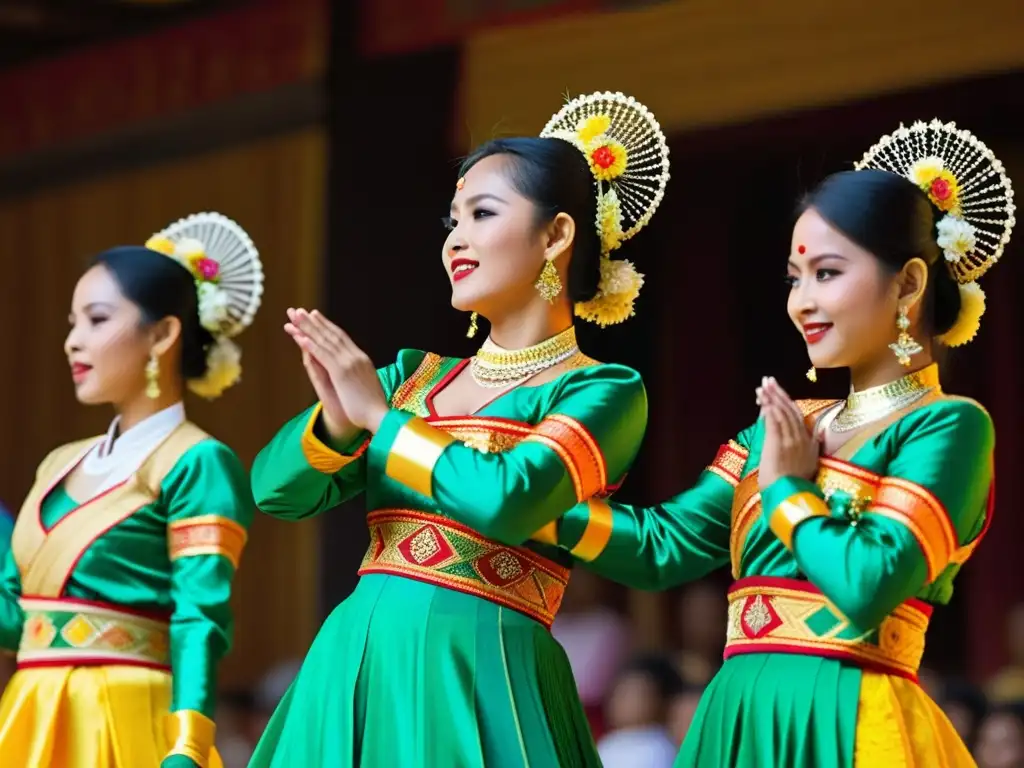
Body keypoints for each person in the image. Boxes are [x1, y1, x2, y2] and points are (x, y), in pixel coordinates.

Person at [545, 119, 1014, 766]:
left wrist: (790, 490)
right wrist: (530, 507)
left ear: (908, 284)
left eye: (827, 273)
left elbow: (867, 585)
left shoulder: (948, 426)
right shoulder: (783, 428)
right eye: (795, 279)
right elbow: (661, 546)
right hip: (739, 721)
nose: (802, 302)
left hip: (851, 722)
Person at [246, 91, 671, 767]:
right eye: (453, 220)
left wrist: (380, 421)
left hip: (485, 667)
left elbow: (508, 500)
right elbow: (274, 491)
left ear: (556, 236)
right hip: (356, 664)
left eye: (483, 213)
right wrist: (338, 419)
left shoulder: (602, 392)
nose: (455, 239)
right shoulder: (413, 379)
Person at [0, 213, 263, 768]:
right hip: (30, 710)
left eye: (96, 319)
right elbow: (17, 617)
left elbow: (200, 619)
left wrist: (188, 744)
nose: (72, 341)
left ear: (163, 334)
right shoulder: (57, 464)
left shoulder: (196, 462)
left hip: (125, 716)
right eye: (72, 323)